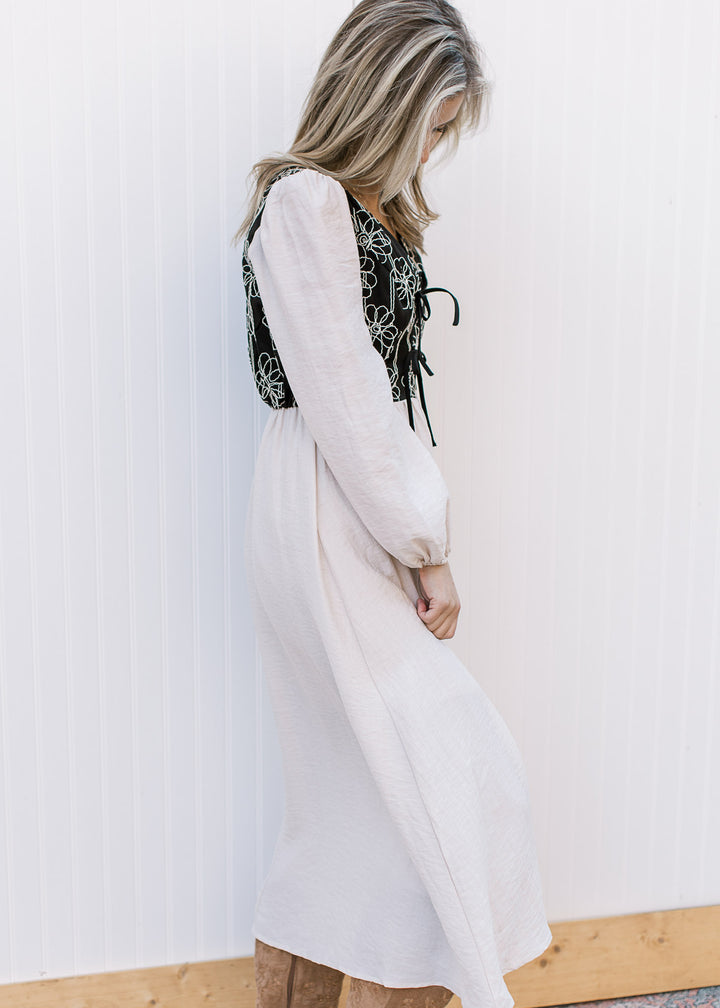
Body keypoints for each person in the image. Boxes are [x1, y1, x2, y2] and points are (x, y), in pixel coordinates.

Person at [235, 2, 552, 1005]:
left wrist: (418, 531)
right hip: (325, 498)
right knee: (433, 762)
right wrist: (423, 544)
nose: (437, 144)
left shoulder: (368, 211)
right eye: (437, 119)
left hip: (350, 488)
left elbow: (381, 401)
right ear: (389, 96)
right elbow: (345, 393)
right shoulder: (308, 204)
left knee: (370, 800)